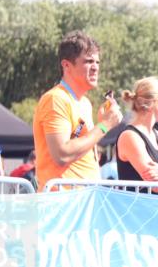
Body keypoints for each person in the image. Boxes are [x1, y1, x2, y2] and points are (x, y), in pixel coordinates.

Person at [33, 31, 122, 191]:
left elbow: (80, 147)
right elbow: (62, 154)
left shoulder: (85, 103)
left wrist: (101, 124)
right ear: (66, 65)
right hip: (63, 203)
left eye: (97, 62)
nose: (95, 67)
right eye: (88, 61)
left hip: (82, 201)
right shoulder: (56, 99)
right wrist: (104, 126)